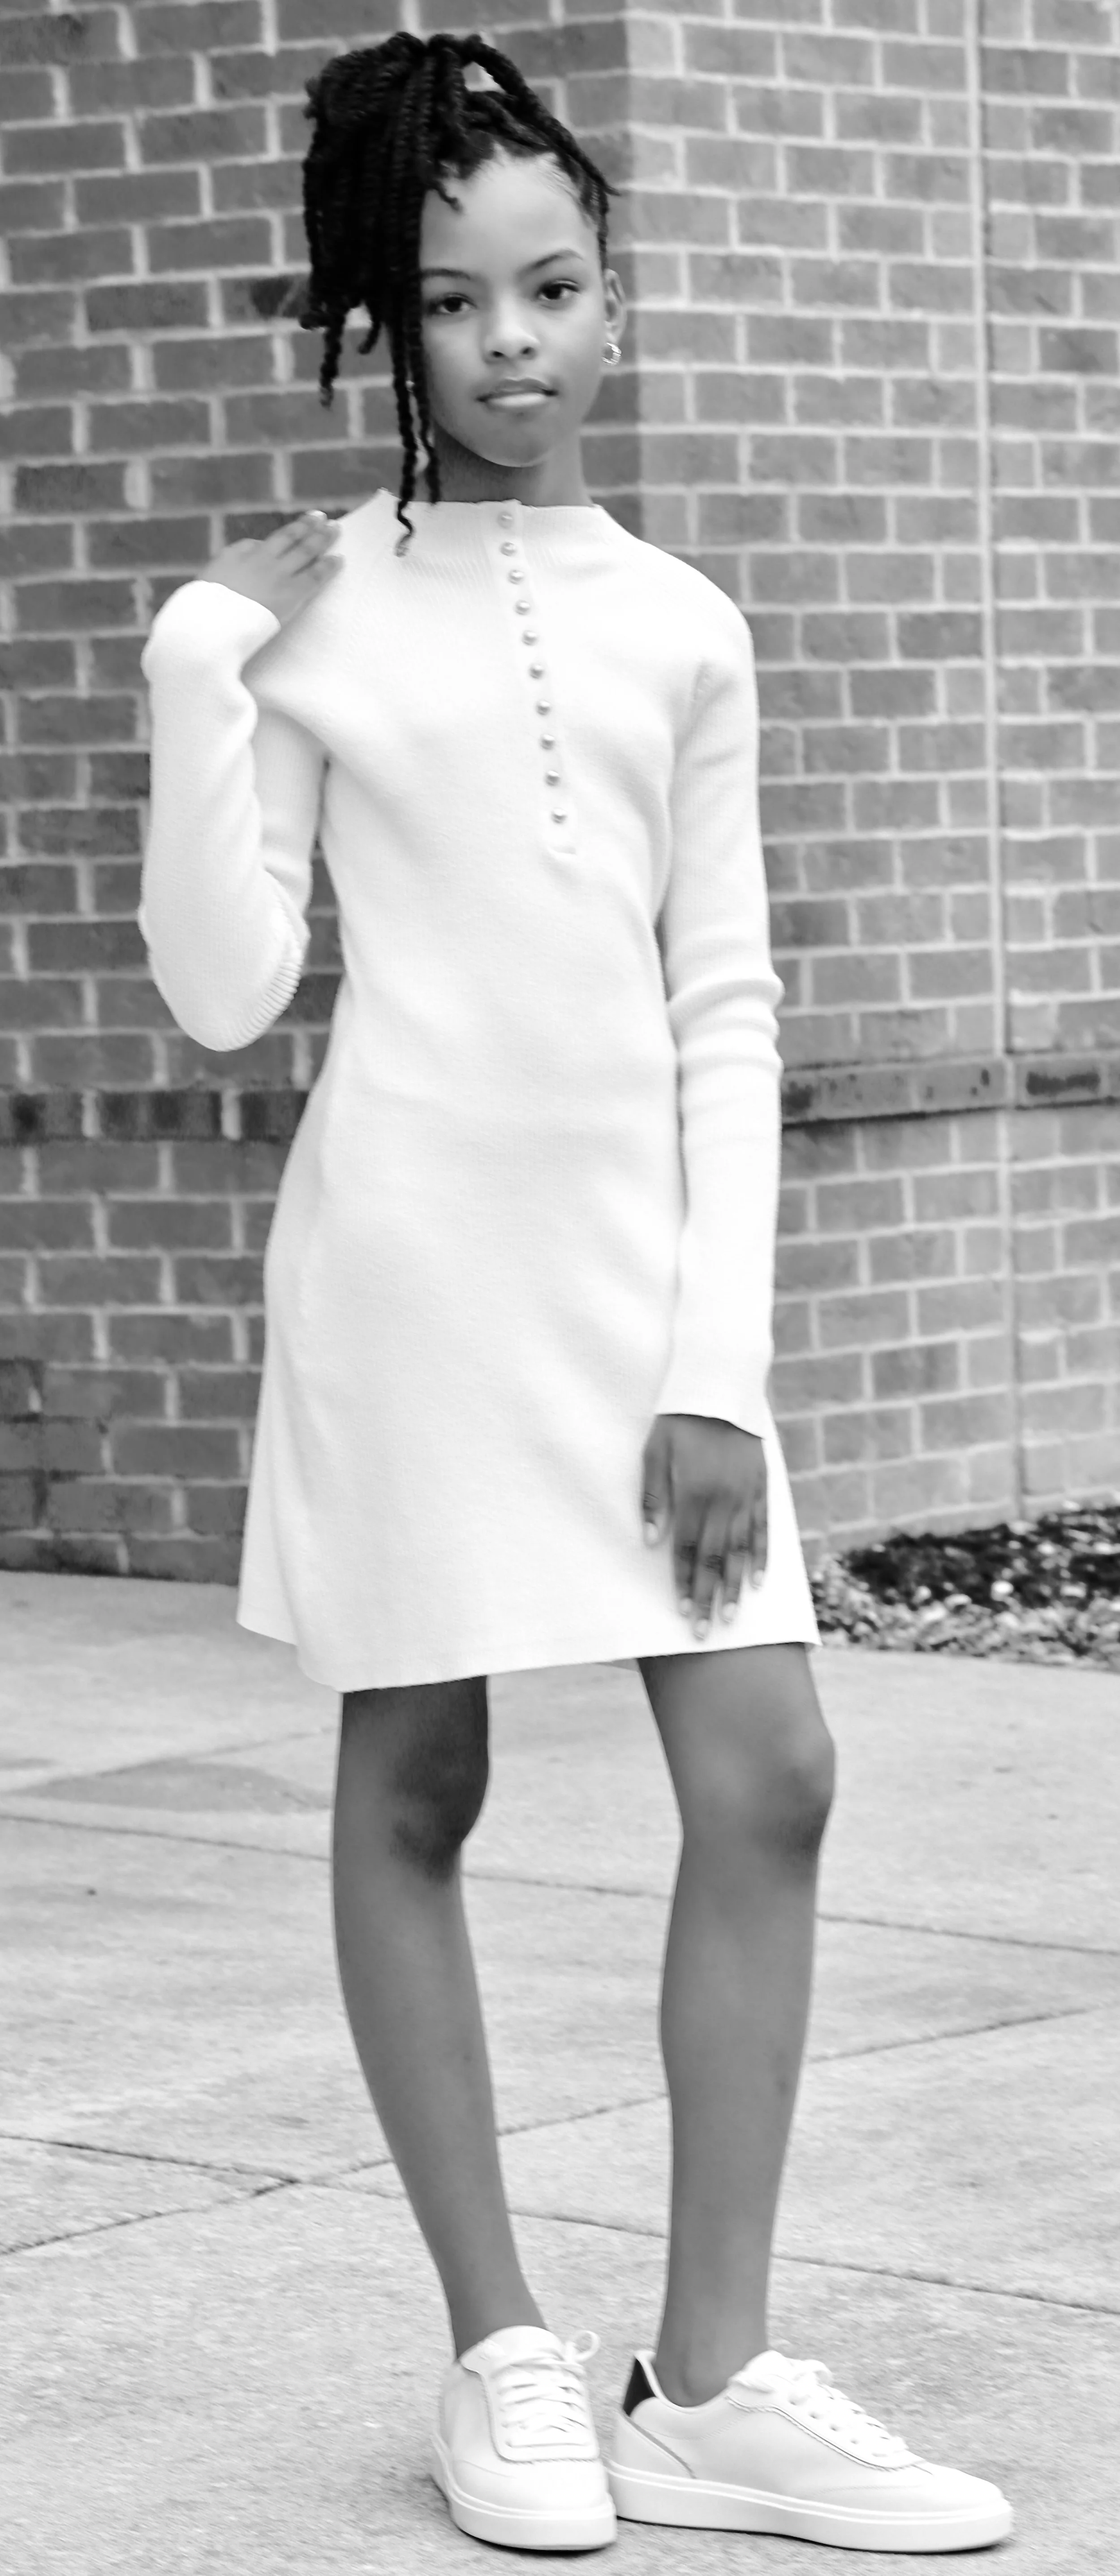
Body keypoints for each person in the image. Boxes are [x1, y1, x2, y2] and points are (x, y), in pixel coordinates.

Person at [137, 29, 1013, 2559]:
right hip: (411, 1271)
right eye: (451, 299)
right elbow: (224, 991)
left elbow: (725, 1010)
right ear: (383, 320)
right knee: (420, 1784)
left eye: (550, 285)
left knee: (773, 1772)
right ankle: (501, 2352)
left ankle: (709, 2383)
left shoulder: (683, 624)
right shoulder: (307, 614)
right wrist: (200, 660)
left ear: (611, 294)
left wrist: (718, 1368)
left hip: (641, 1287)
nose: (510, 339)